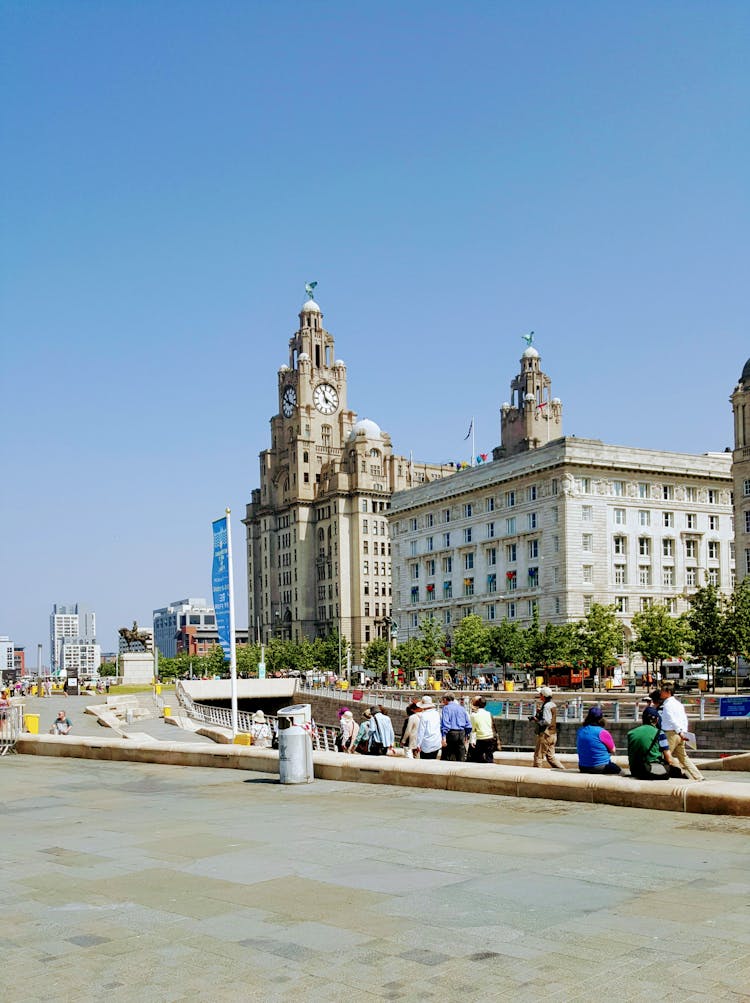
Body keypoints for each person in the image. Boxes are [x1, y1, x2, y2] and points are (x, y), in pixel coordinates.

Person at [658, 682, 704, 781]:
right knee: (683, 757)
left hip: (671, 733)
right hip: (680, 734)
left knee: (665, 756)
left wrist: (679, 731)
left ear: (668, 692)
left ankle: (678, 774)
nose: (660, 693)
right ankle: (698, 777)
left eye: (662, 691)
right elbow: (684, 719)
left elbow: (671, 719)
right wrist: (683, 732)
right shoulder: (678, 704)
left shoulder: (668, 705)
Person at [627, 706, 682, 780]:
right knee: (677, 771)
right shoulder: (660, 733)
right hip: (651, 770)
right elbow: (669, 759)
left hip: (635, 770)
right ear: (657, 719)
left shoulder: (631, 733)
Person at [576, 705, 622, 774]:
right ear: (601, 719)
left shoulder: (580, 730)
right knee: (621, 772)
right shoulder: (602, 732)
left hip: (583, 767)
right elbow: (613, 750)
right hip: (600, 767)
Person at [531, 686, 565, 770]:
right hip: (553, 735)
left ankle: (536, 777)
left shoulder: (546, 706)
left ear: (543, 696)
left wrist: (536, 720)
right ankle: (563, 771)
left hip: (546, 735)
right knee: (550, 757)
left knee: (538, 757)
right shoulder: (552, 704)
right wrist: (539, 713)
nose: (539, 695)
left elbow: (546, 721)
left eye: (540, 694)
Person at [440, 694, 472, 761]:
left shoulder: (446, 708)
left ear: (445, 699)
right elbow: (468, 724)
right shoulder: (462, 708)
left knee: (447, 756)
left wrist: (443, 737)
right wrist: (466, 734)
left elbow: (445, 723)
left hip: (451, 733)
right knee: (460, 755)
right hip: (461, 732)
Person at [469, 696, 498, 764]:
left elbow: (473, 730)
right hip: (490, 737)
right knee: (489, 758)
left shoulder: (473, 715)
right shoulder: (488, 713)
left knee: (478, 759)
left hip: (480, 739)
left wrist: (472, 740)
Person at [415, 695, 442, 759]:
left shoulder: (424, 716)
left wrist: (418, 744)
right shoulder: (437, 713)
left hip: (427, 744)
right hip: (436, 742)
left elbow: (421, 731)